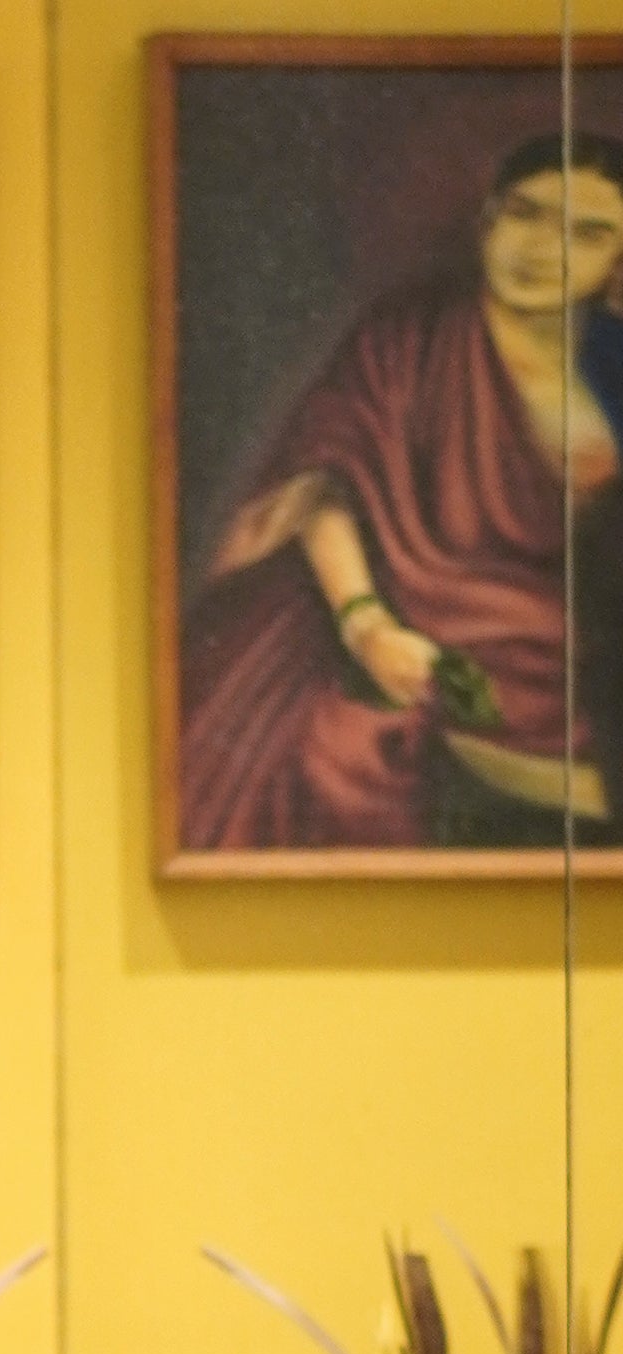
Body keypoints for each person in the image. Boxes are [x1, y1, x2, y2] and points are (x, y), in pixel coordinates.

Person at [180, 132, 623, 852]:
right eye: (527, 213)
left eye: (588, 231)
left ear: (617, 263)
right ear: (488, 221)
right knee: (336, 754)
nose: (545, 247)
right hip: (427, 643)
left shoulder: (614, 362)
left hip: (594, 664)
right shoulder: (407, 345)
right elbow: (321, 485)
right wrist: (367, 624)